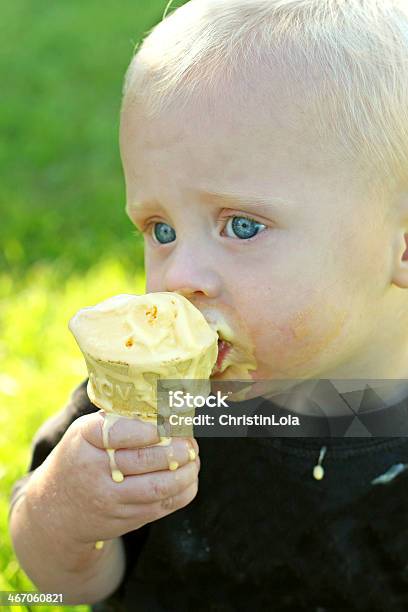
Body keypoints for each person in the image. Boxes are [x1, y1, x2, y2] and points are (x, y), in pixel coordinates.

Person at [8, 0, 408, 609]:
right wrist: (63, 513)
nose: (180, 275)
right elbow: (66, 587)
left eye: (242, 226)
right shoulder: (148, 404)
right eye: (159, 230)